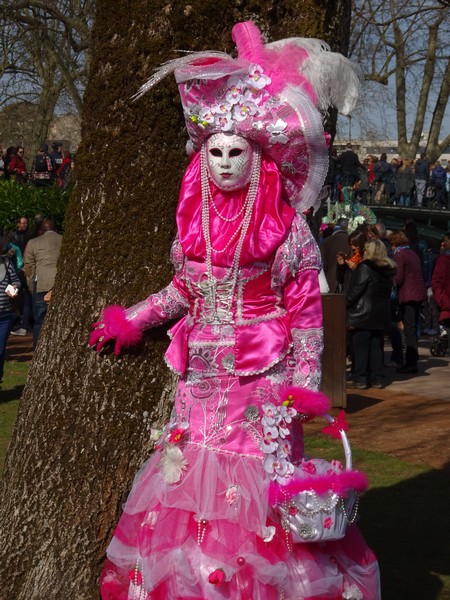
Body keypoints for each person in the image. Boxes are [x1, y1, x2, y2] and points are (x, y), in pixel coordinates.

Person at [91, 22, 380, 600]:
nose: (224, 163)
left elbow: (303, 313)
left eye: (236, 152)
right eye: (215, 152)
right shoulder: (193, 226)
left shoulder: (286, 231)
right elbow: (183, 291)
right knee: (190, 485)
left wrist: (302, 386)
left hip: (261, 382)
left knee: (256, 487)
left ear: (259, 157)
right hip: (198, 380)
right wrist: (133, 318)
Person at [346, 240, 396, 389]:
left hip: (363, 314)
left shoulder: (365, 267)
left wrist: (345, 305)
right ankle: (376, 377)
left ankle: (360, 378)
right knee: (376, 346)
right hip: (380, 314)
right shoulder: (388, 270)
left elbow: (355, 292)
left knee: (360, 346)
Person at [389, 230, 427, 374]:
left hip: (408, 294)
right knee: (413, 327)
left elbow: (398, 279)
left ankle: (411, 363)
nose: (391, 248)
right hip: (417, 294)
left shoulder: (400, 255)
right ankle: (413, 359)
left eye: (392, 244)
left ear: (395, 244)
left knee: (409, 329)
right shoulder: (412, 253)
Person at [24, 218, 62, 347]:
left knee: (40, 321)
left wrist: (30, 288)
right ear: (55, 230)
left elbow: (29, 268)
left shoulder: (33, 243)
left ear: (41, 231)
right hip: (61, 286)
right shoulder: (65, 240)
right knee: (60, 320)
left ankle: (38, 351)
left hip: (41, 286)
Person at [0, 233, 21, 387]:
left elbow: (16, 281)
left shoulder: (6, 263)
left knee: (0, 351)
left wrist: (15, 287)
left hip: (5, 316)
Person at [320, 217, 351, 293]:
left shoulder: (326, 241)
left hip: (329, 282)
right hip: (348, 283)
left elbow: (322, 263)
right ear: (346, 227)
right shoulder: (351, 242)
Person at [432, 232, 450, 345]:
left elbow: (437, 282)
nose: (443, 243)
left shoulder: (443, 260)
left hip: (447, 304)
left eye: (446, 240)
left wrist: (443, 302)